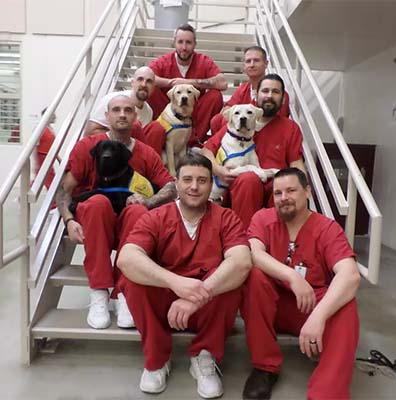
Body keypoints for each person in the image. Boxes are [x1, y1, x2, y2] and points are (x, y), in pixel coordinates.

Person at [116, 153, 252, 398]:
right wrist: (176, 283)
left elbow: (242, 262)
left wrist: (196, 296)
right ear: (176, 183)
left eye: (202, 180)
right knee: (133, 280)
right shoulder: (156, 216)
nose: (194, 186)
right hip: (165, 305)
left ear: (211, 184)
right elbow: (126, 257)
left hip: (206, 307)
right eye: (187, 179)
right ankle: (156, 359)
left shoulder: (226, 218)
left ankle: (204, 357)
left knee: (231, 282)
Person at [56, 95, 176, 330]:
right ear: (107, 116)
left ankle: (123, 294)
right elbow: (64, 189)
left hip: (128, 222)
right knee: (97, 203)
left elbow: (171, 186)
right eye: (117, 110)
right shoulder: (88, 147)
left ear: (136, 117)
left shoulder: (146, 152)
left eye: (128, 110)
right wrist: (69, 220)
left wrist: (149, 200)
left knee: (138, 211)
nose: (122, 114)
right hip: (96, 219)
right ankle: (99, 292)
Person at [241, 168, 361, 400]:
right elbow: (254, 253)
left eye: (291, 190)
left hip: (310, 308)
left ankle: (327, 392)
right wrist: (292, 276)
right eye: (277, 193)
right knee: (254, 276)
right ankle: (264, 367)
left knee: (347, 303)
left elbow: (350, 275)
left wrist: (318, 317)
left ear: (307, 191)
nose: (283, 197)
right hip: (269, 307)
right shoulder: (263, 219)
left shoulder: (327, 228)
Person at [201, 74, 305, 228]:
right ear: (256, 95)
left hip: (275, 186)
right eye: (265, 91)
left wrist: (302, 187)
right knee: (249, 179)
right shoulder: (236, 124)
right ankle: (244, 240)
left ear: (283, 99)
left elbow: (297, 164)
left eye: (275, 92)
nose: (269, 96)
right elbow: (206, 150)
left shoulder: (290, 128)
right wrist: (219, 170)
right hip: (243, 187)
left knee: (285, 188)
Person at [145, 23, 227, 150]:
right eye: (180, 42)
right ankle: (161, 136)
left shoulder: (203, 60)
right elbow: (147, 76)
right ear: (174, 43)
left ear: (195, 44)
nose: (184, 47)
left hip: (194, 110)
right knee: (151, 89)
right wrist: (171, 82)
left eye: (188, 42)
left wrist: (188, 82)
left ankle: (194, 141)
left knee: (215, 95)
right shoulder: (164, 61)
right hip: (168, 110)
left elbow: (223, 83)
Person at [210, 46, 290, 135]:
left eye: (256, 60)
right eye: (248, 61)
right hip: (241, 133)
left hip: (267, 134)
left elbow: (277, 121)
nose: (252, 65)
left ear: (266, 64)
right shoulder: (243, 88)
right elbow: (226, 109)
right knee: (217, 120)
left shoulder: (276, 94)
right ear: (244, 66)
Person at [84, 66, 156, 138]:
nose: (144, 84)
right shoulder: (111, 100)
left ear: (153, 87)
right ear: (132, 83)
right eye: (140, 79)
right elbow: (90, 132)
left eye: (149, 81)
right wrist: (120, 136)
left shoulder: (149, 112)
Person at [34, 108, 59, 191]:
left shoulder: (50, 129)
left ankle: (22, 196)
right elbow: (35, 146)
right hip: (42, 157)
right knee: (50, 179)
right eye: (53, 115)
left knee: (40, 179)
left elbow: (52, 146)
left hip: (49, 156)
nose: (55, 117)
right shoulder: (40, 128)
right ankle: (54, 202)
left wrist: (58, 159)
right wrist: (36, 161)